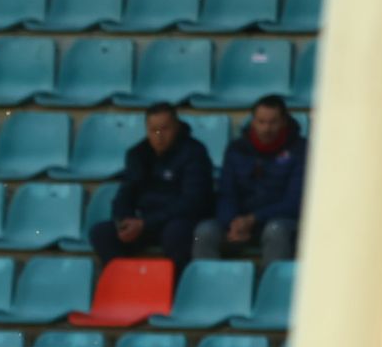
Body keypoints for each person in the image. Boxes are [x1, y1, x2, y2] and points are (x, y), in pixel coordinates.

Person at [90, 103, 214, 272]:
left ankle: (174, 289)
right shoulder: (137, 153)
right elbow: (125, 193)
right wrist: (123, 221)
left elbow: (193, 201)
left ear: (176, 127)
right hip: (144, 223)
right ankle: (122, 284)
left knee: (176, 233)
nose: (159, 136)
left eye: (165, 129)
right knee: (102, 232)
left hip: (177, 221)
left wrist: (146, 223)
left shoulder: (194, 152)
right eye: (153, 130)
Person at [194, 94, 307, 265]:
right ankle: (210, 286)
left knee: (275, 231)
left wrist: (254, 219)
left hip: (280, 221)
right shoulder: (237, 148)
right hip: (239, 223)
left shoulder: (300, 149)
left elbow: (294, 202)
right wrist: (232, 222)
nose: (266, 128)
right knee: (203, 232)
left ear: (284, 121)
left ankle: (273, 287)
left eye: (273, 122)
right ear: (253, 121)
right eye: (261, 122)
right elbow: (226, 193)